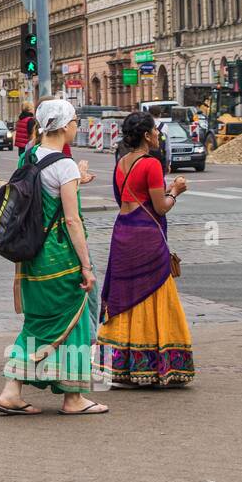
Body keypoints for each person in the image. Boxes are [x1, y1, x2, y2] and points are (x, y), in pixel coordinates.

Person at [0, 99, 107, 416]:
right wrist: (86, 266)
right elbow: (72, 220)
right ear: (64, 125)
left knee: (38, 323)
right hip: (60, 256)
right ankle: (73, 398)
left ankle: (11, 390)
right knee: (73, 323)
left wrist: (76, 181)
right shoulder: (65, 165)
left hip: (32, 256)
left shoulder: (29, 155)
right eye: (75, 120)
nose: (77, 126)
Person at [98, 112, 195, 387]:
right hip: (146, 235)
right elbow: (161, 206)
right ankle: (155, 365)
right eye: (154, 130)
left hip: (122, 231)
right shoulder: (151, 164)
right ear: (146, 135)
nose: (158, 135)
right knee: (154, 292)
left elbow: (122, 201)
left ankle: (119, 366)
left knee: (126, 294)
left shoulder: (120, 164)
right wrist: (176, 190)